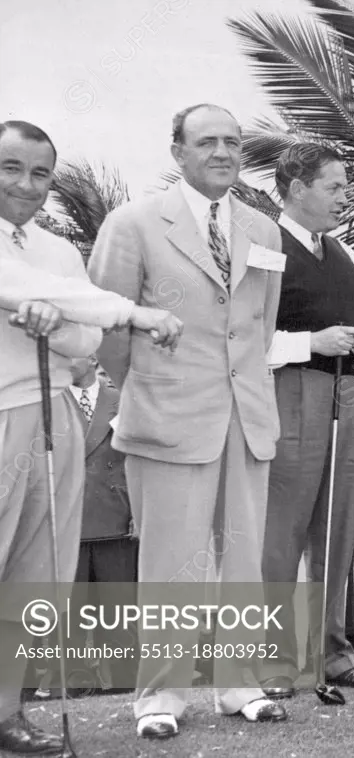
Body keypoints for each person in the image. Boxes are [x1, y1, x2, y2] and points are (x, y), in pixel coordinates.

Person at [89, 104, 287, 739]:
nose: (223, 152)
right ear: (177, 151)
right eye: (207, 142)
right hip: (167, 417)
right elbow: (109, 329)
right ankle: (159, 699)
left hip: (247, 418)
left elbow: (259, 325)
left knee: (242, 560)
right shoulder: (133, 224)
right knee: (173, 563)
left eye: (232, 141)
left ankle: (240, 684)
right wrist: (147, 389)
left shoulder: (263, 229)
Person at [0, 120, 179, 756]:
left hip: (53, 418)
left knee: (36, 575)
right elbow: (24, 290)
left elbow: (82, 345)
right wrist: (123, 310)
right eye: (10, 167)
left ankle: (8, 714)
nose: (26, 184)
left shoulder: (58, 251)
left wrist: (57, 323)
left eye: (40, 173)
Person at [259, 142, 354, 699]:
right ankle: (274, 662)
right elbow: (246, 336)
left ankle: (333, 653)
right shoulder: (262, 247)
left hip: (344, 392)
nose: (343, 195)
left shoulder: (346, 254)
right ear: (297, 188)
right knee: (281, 533)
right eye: (333, 186)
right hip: (287, 392)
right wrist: (312, 340)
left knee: (336, 530)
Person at [64, 356, 139, 695]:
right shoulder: (52, 405)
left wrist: (138, 508)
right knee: (71, 608)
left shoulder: (122, 399)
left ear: (92, 358)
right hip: (67, 521)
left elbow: (138, 458)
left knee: (119, 608)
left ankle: (125, 679)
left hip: (117, 518)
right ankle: (75, 679)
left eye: (71, 354)